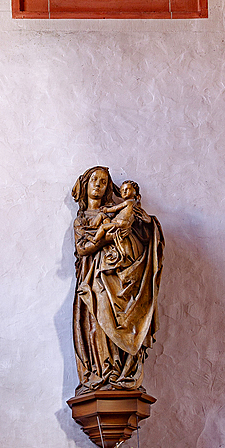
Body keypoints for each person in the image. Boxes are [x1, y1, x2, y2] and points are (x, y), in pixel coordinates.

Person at [71, 167, 164, 392]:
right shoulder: (81, 220)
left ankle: (120, 370)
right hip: (92, 280)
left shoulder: (113, 212)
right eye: (94, 180)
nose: (98, 185)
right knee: (95, 322)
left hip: (115, 279)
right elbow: (83, 249)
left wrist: (144, 223)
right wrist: (103, 238)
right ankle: (101, 370)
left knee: (117, 317)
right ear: (85, 184)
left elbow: (140, 234)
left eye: (104, 182)